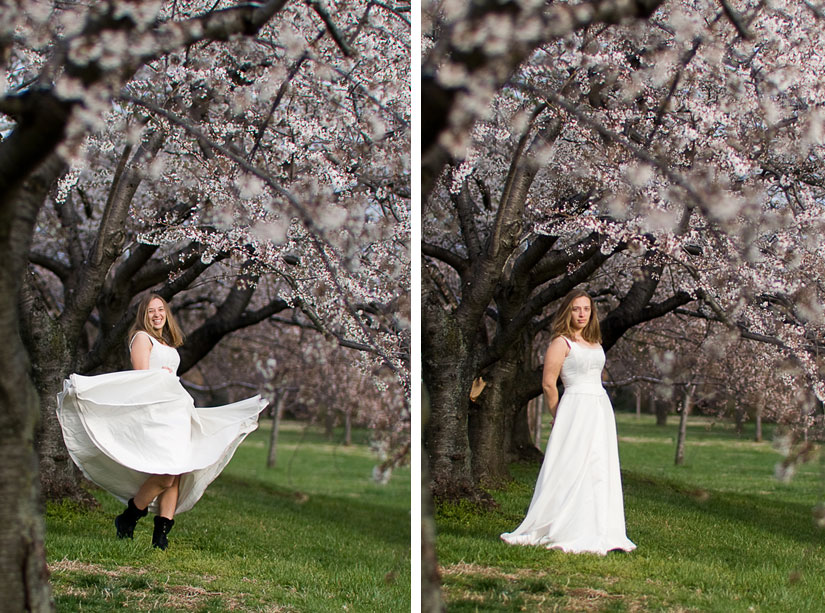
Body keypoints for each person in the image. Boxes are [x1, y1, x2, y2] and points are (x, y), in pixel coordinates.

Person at [56, 293, 268, 550]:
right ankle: (128, 518)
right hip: (157, 415)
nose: (157, 315)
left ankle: (161, 538)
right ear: (143, 316)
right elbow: (141, 380)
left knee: (177, 473)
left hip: (177, 412)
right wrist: (160, 378)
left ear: (167, 313)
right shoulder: (141, 338)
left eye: (160, 310)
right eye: (150, 311)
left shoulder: (166, 342)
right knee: (166, 475)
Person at [500, 289, 636, 555]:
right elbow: (549, 383)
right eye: (576, 309)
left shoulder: (595, 343)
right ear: (568, 311)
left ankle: (601, 527)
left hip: (599, 407)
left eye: (586, 308)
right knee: (571, 464)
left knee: (599, 465)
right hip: (574, 406)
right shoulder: (561, 343)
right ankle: (563, 524)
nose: (582, 314)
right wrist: (558, 414)